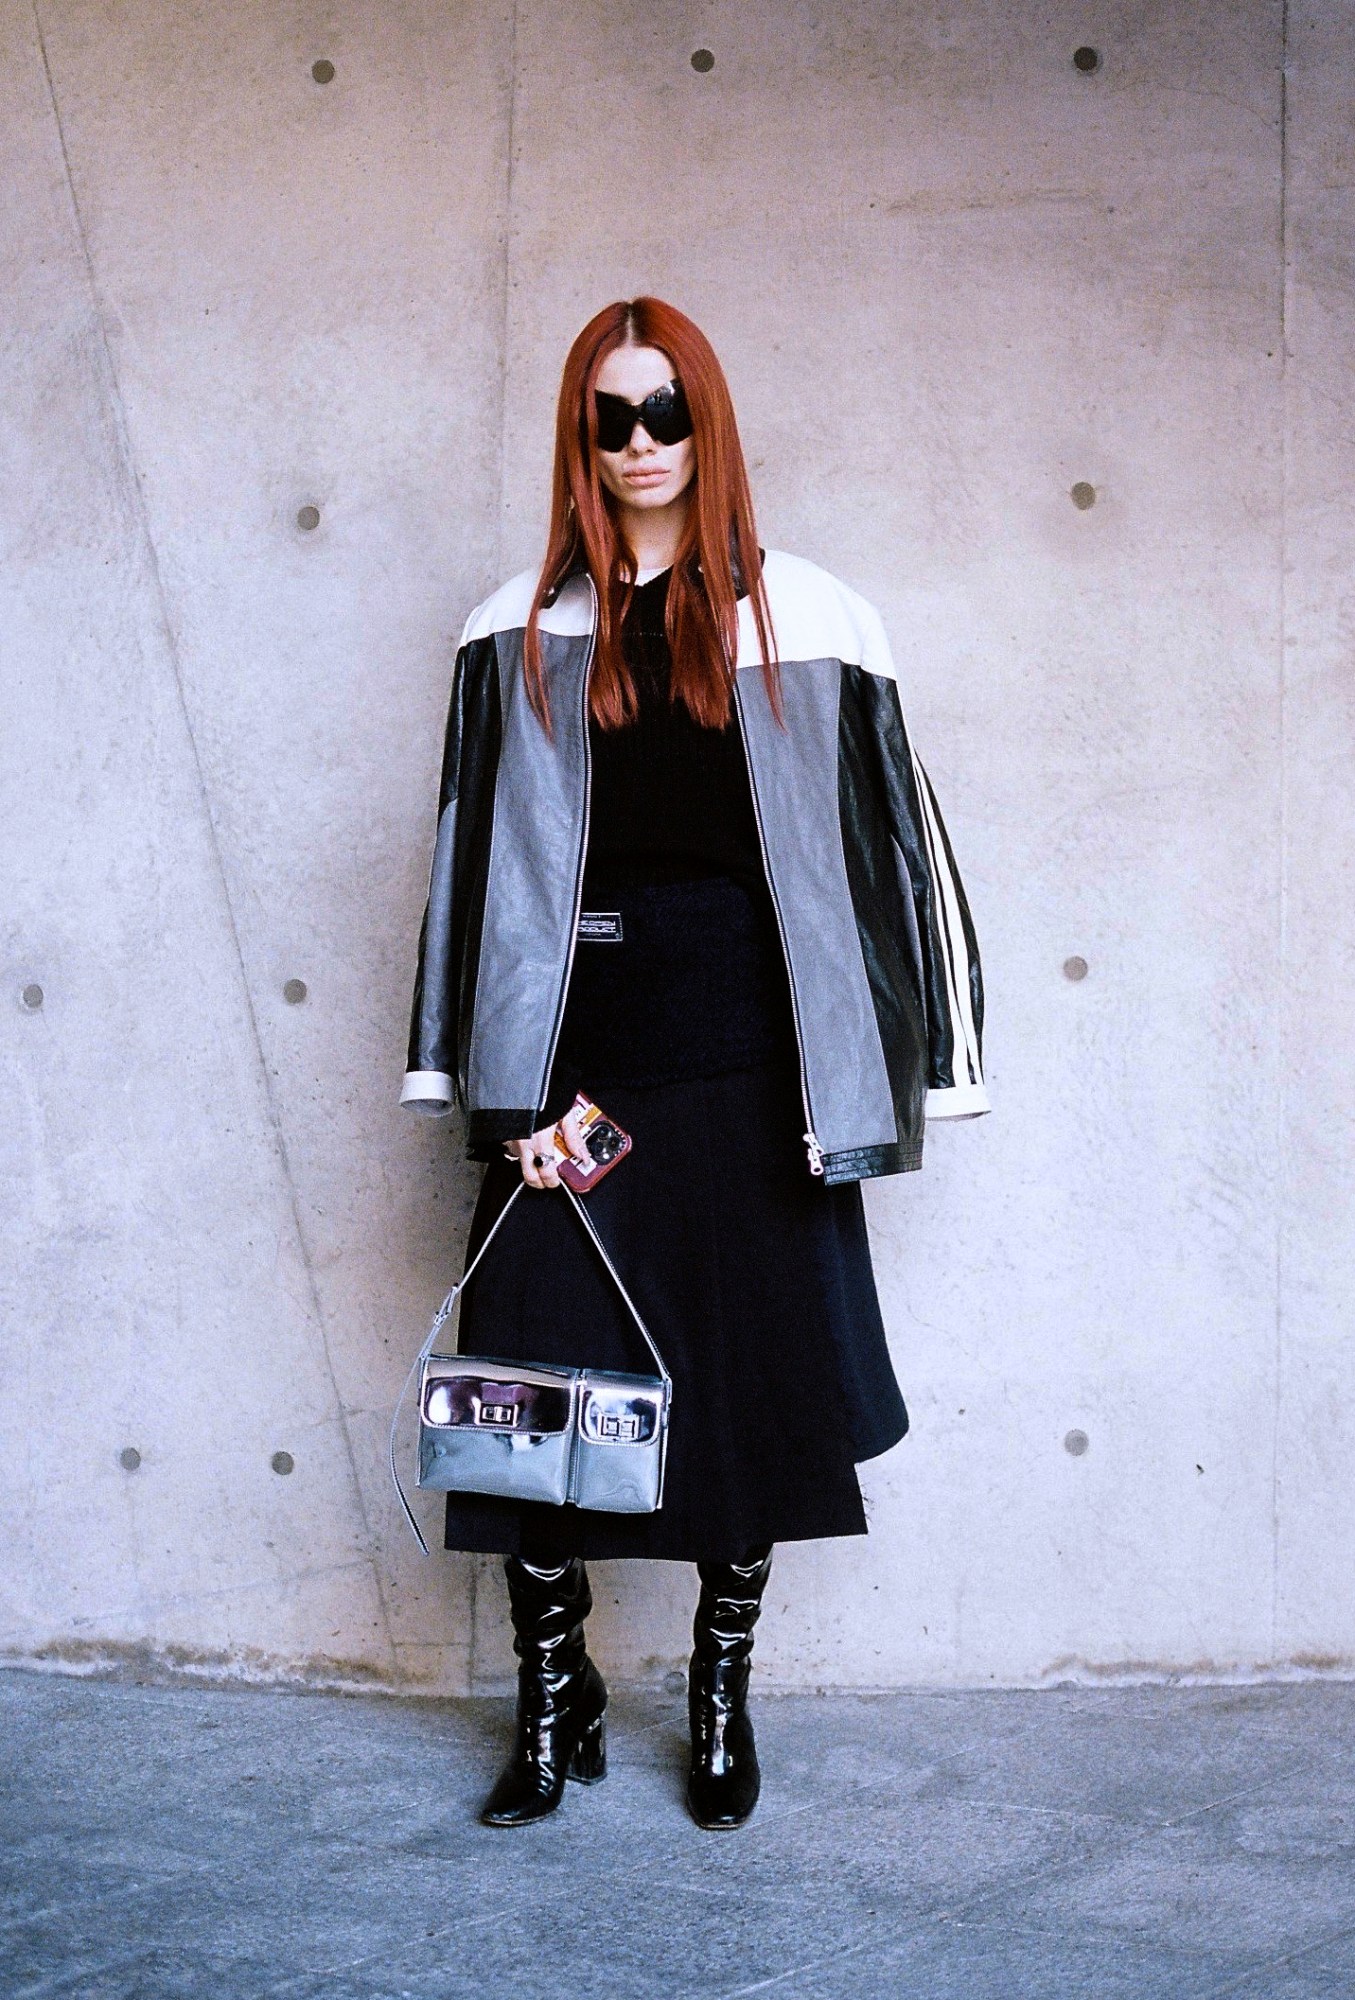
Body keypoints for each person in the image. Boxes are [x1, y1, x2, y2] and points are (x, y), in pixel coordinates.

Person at [400, 296, 989, 1830]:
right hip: (579, 1058)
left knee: (739, 1395)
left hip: (748, 1065)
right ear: (578, 436)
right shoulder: (513, 626)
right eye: (612, 417)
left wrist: (893, 1077)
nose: (643, 443)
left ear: (709, 424)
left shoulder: (815, 617)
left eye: (668, 414)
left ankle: (719, 1700)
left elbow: (889, 859)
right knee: (529, 1403)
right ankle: (556, 1700)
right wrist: (504, 1097)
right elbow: (475, 873)